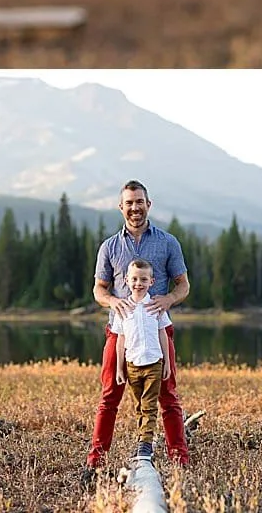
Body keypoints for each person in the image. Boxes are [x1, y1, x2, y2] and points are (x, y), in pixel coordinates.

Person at [87, 181, 192, 474]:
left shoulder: (168, 242)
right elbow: (98, 289)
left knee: (168, 395)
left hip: (158, 330)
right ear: (121, 207)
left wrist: (169, 298)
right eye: (129, 203)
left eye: (139, 201)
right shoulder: (109, 246)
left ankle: (178, 458)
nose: (135, 207)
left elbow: (183, 285)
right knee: (110, 394)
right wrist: (111, 302)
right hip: (119, 332)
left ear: (149, 204)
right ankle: (96, 460)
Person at [108, 258, 176, 463]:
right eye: (135, 279)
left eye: (143, 279)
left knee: (149, 404)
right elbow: (120, 340)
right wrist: (119, 368)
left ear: (151, 282)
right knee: (139, 405)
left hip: (154, 362)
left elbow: (163, 333)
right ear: (127, 280)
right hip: (132, 364)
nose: (139, 283)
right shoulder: (123, 309)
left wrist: (167, 362)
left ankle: (146, 444)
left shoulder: (155, 306)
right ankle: (142, 441)